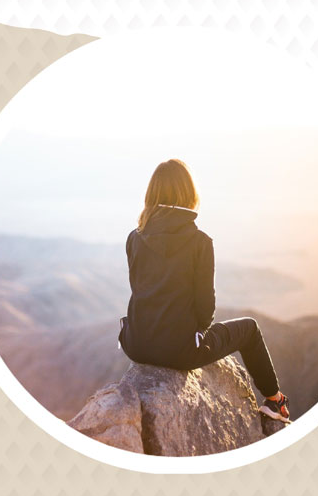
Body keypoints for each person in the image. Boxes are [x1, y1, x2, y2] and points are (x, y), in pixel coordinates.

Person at [119, 159, 290, 424]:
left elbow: (139, 289)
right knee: (250, 329)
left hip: (135, 344)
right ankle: (275, 401)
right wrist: (196, 333)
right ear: (189, 194)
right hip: (180, 351)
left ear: (151, 194)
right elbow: (205, 309)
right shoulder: (200, 242)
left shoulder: (134, 236)